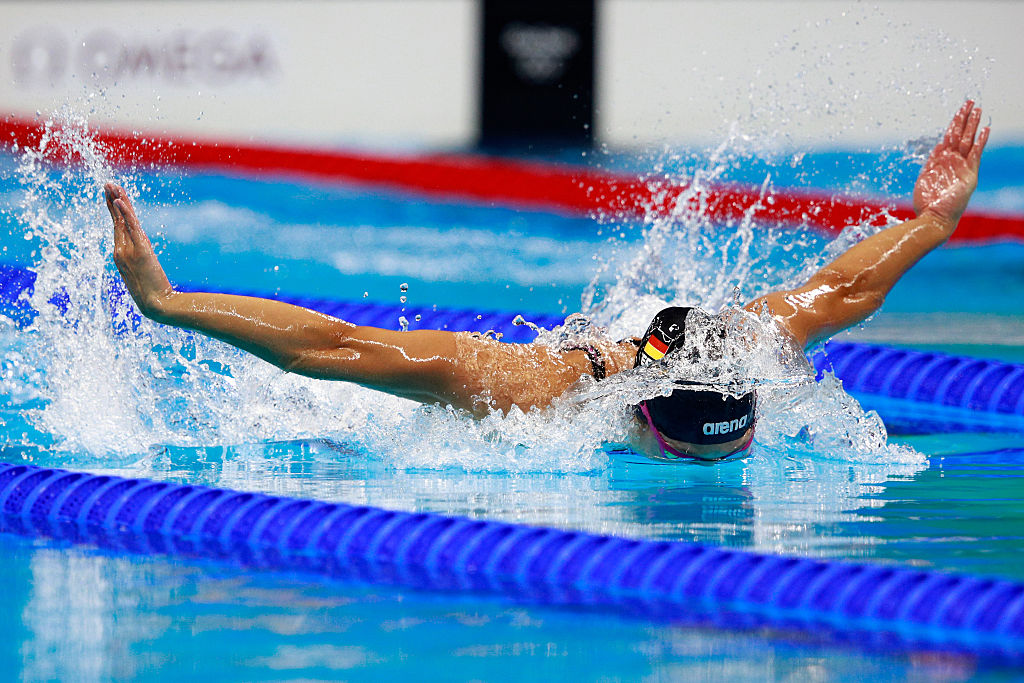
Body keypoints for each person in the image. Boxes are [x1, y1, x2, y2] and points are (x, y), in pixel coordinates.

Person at [103, 102, 989, 462]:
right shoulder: (539, 391)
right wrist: (166, 302)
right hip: (385, 420)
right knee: (345, 417)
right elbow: (343, 349)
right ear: (643, 421)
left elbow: (846, 289)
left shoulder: (743, 344)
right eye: (706, 452)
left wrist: (933, 222)